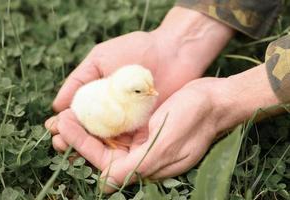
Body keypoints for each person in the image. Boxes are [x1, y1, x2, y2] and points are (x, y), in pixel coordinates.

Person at [45, 0, 289, 193]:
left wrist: (231, 99)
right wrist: (178, 39)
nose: (153, 92)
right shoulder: (116, 108)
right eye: (143, 90)